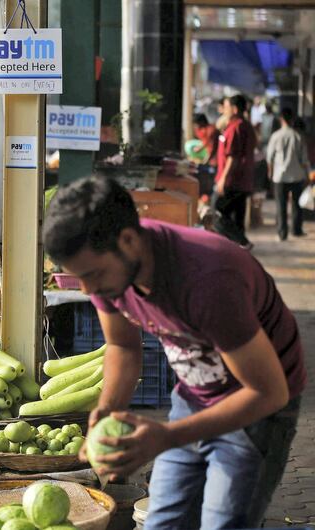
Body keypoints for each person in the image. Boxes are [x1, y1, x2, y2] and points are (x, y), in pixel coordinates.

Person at [43, 176, 305, 530]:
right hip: (193, 395)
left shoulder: (209, 280)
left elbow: (268, 392)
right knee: (163, 521)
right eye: (79, 278)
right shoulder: (109, 266)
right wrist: (107, 410)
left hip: (259, 407)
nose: (89, 289)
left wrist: (166, 437)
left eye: (92, 275)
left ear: (129, 241)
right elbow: (122, 346)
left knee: (223, 523)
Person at [214, 94, 256, 249]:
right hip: (243, 180)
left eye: (226, 107)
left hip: (233, 180)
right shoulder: (246, 126)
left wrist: (223, 179)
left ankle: (242, 242)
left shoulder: (236, 127)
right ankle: (238, 250)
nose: (223, 110)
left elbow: (233, 157)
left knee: (217, 214)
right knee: (238, 218)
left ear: (235, 109)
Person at [267, 108, 310, 240]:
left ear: (281, 119)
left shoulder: (275, 136)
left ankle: (282, 233)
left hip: (279, 176)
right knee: (297, 204)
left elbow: (270, 157)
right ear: (291, 119)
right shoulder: (298, 136)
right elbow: (304, 159)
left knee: (281, 205)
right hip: (297, 176)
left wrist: (270, 172)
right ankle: (296, 230)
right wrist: (307, 175)